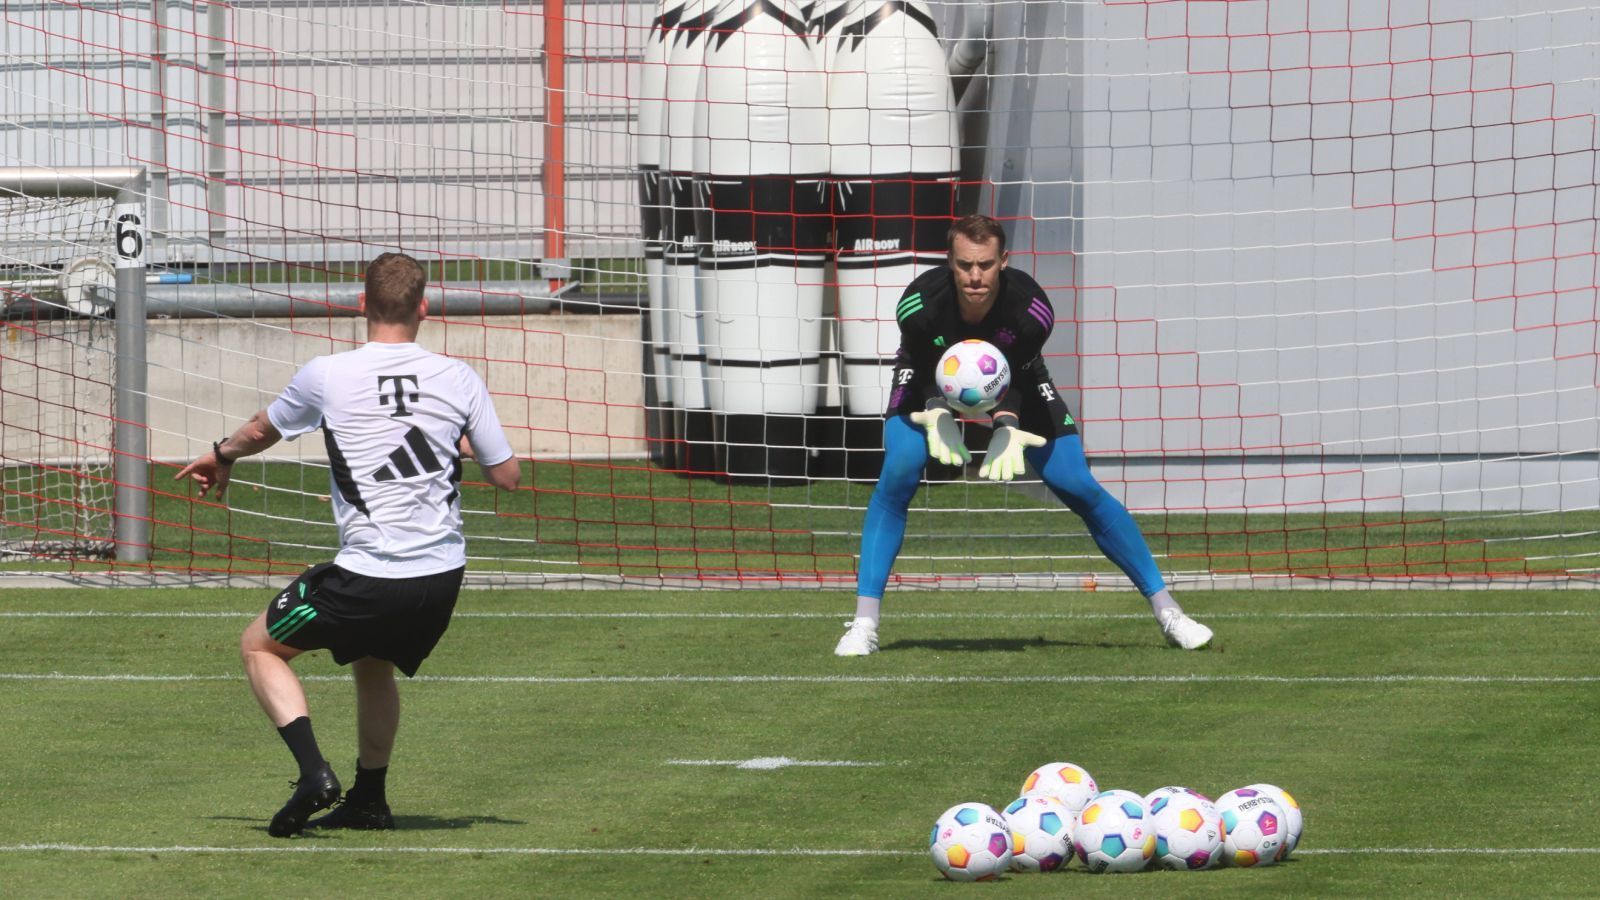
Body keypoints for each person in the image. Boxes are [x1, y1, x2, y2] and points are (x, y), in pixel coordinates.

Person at [175, 252, 521, 836]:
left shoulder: (328, 374)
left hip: (371, 573)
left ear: (361, 305)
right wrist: (455, 443)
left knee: (260, 646)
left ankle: (313, 773)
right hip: (440, 578)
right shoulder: (459, 377)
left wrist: (223, 452)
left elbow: (262, 429)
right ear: (424, 307)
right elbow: (507, 477)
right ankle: (368, 800)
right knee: (372, 664)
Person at [834, 215, 1213, 656]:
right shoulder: (918, 303)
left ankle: (1169, 612)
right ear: (950, 263)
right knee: (899, 469)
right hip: (928, 376)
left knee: (1078, 484)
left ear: (1004, 262)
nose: (975, 276)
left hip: (1017, 379)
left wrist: (1006, 426)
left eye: (986, 264)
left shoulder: (1032, 308)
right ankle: (864, 624)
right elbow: (922, 368)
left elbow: (1014, 376)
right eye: (964, 265)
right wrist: (938, 412)